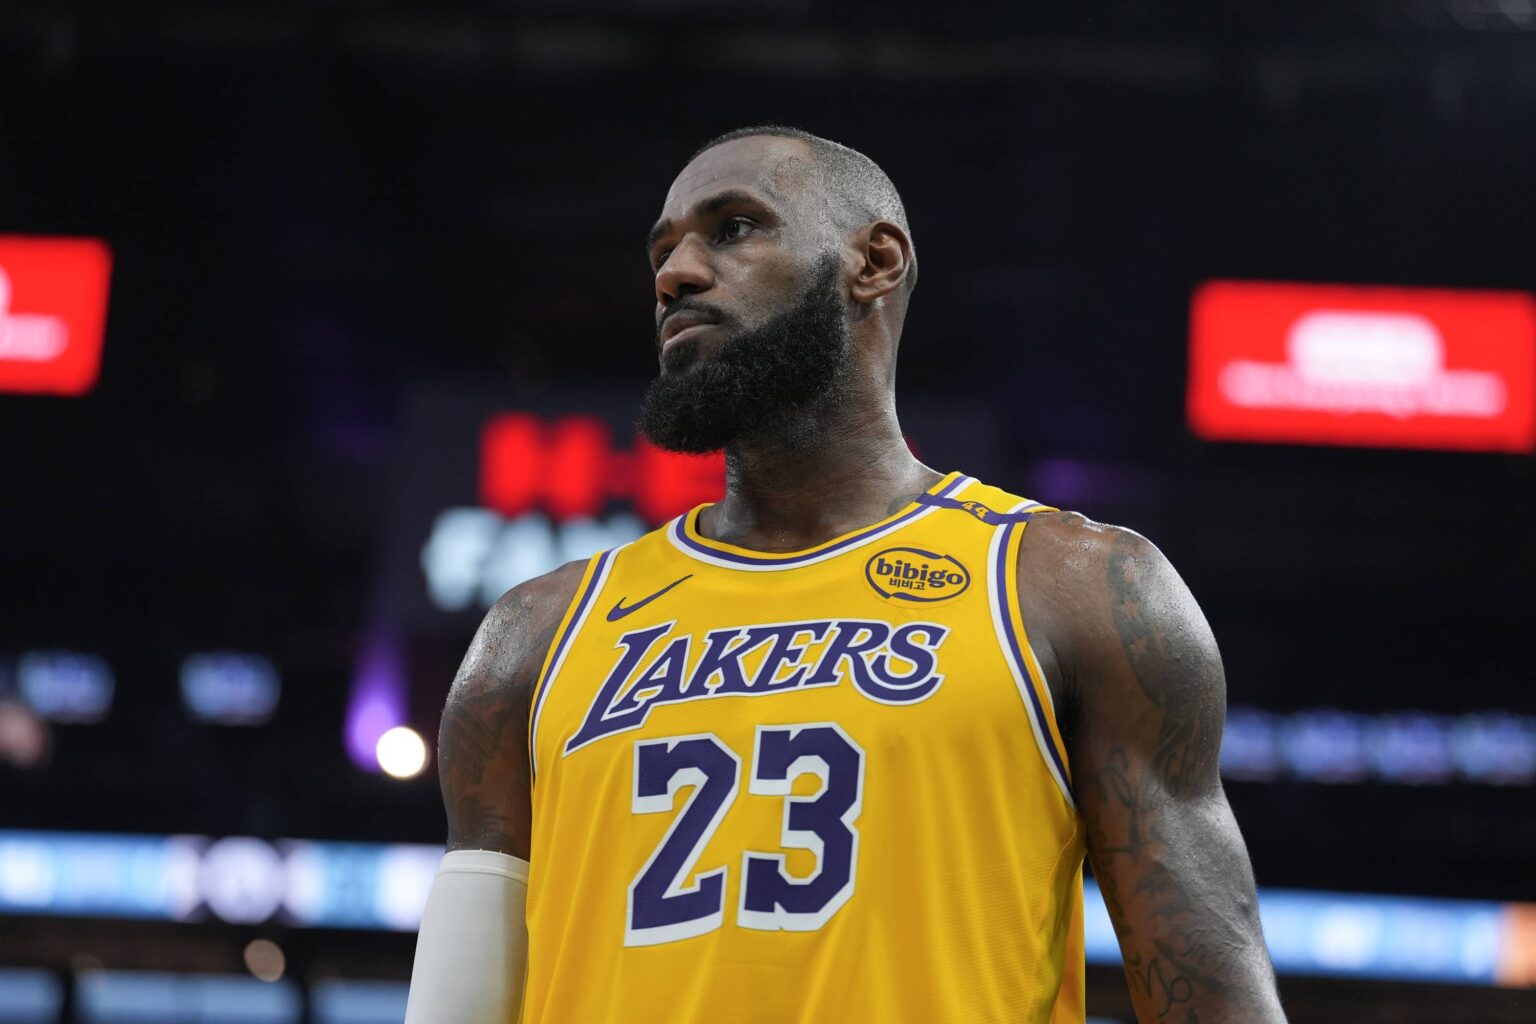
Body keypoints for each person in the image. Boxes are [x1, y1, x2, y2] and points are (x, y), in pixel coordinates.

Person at [404, 125, 1287, 1024]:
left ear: (874, 262)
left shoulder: (1070, 589)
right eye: (663, 252)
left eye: (735, 228)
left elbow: (1218, 1006)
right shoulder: (536, 633)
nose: (676, 274)